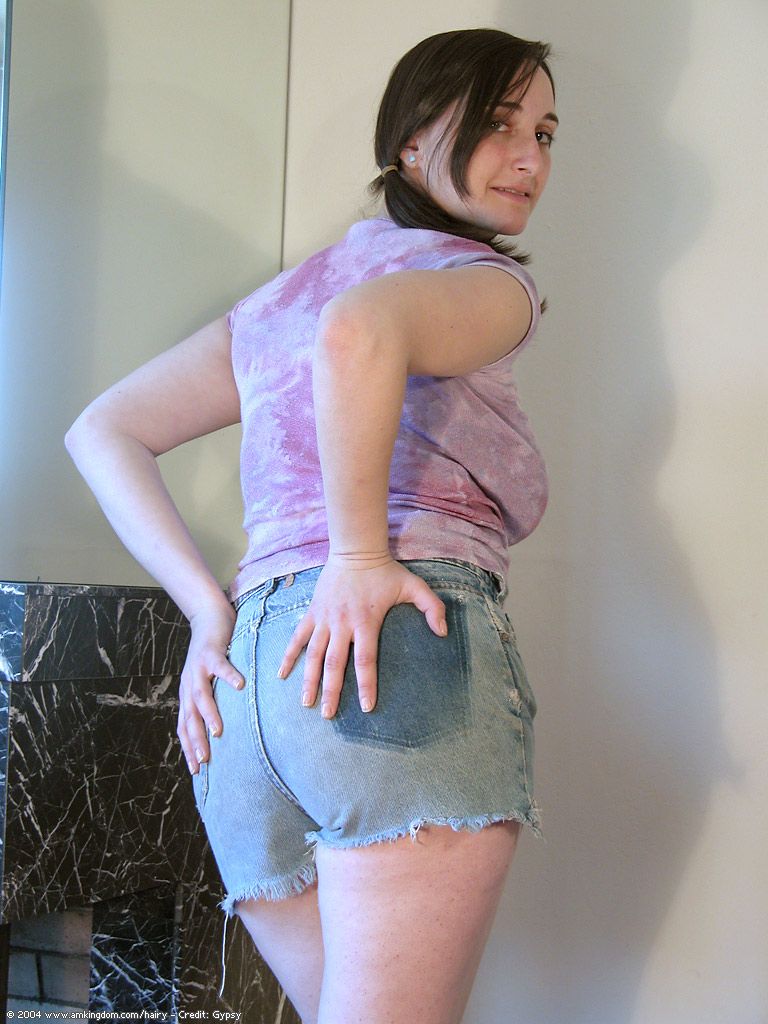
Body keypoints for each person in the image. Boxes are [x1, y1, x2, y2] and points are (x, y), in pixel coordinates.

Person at [66, 27, 557, 1024]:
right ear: (413, 140)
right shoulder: (487, 283)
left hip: (249, 696)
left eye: (546, 133)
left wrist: (209, 611)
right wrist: (361, 555)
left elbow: (103, 429)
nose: (530, 160)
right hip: (384, 658)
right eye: (500, 124)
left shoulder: (276, 304)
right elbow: (362, 331)